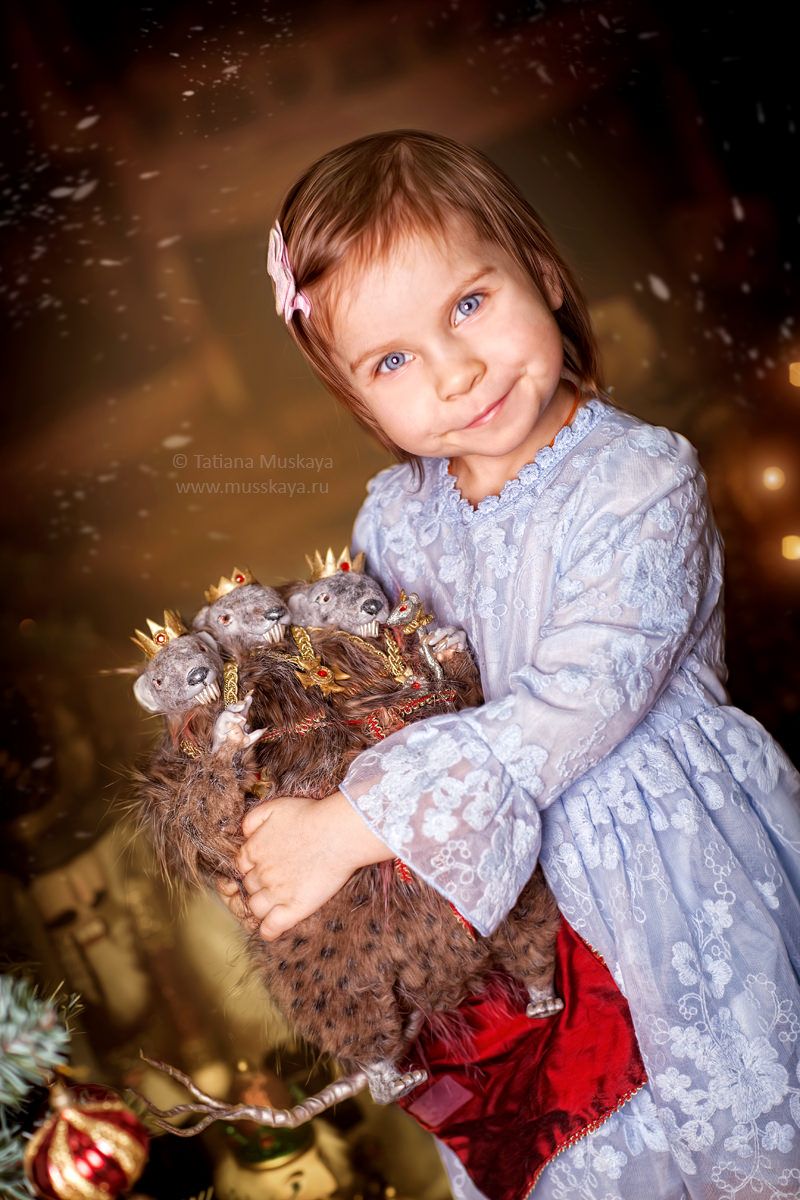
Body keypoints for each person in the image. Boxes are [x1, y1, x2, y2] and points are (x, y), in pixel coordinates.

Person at [218, 130, 800, 1198]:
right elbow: (377, 697)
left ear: (540, 270)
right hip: (500, 910)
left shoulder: (638, 480)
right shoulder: (395, 520)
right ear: (356, 397)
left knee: (722, 1133)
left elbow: (569, 709)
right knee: (566, 1154)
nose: (457, 371)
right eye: (393, 361)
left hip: (658, 879)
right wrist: (271, 787)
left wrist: (347, 827)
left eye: (470, 304)